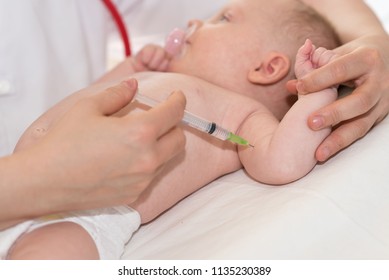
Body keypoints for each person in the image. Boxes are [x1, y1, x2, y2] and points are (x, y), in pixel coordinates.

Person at [4, 0, 341, 259]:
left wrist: (317, 92)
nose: (195, 22)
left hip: (89, 213)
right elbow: (92, 98)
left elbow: (281, 161)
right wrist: (131, 68)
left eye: (222, 19)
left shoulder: (240, 113)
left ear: (266, 67)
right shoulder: (165, 77)